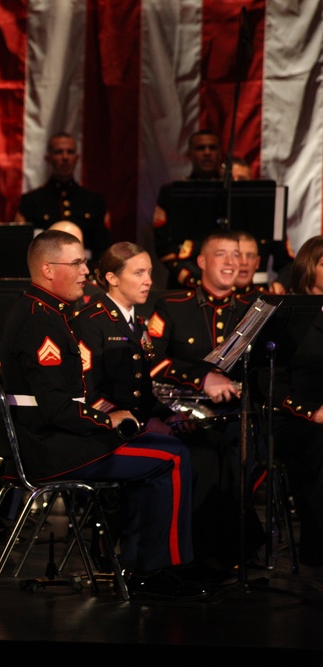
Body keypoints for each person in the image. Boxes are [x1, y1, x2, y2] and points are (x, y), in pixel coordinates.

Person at [0, 229, 206, 599]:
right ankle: (156, 570)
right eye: (76, 263)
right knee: (172, 458)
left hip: (48, 439)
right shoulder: (42, 321)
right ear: (48, 269)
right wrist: (108, 420)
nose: (85, 271)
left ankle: (137, 562)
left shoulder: (41, 309)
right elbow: (57, 408)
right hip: (49, 449)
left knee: (158, 446)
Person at [74, 242, 247, 577]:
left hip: (138, 420)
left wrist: (170, 416)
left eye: (150, 272)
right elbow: (88, 393)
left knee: (212, 447)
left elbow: (141, 390)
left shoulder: (135, 323)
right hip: (105, 430)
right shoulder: (92, 321)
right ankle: (162, 563)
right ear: (111, 277)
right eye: (138, 273)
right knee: (179, 454)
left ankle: (213, 553)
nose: (148, 280)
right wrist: (142, 423)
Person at [264, 235, 323, 567]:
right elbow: (268, 379)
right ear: (307, 267)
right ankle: (317, 548)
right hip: (297, 417)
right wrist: (310, 412)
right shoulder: (288, 313)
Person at [147, 230, 247, 403]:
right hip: (185, 411)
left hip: (239, 412)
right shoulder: (173, 306)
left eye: (235, 255)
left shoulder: (251, 311)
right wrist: (202, 378)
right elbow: (150, 361)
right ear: (202, 261)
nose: (230, 262)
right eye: (220, 254)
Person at [15, 132, 111, 266]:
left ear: (77, 158)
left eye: (70, 152)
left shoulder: (93, 201)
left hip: (86, 272)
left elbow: (102, 248)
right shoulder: (31, 201)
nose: (65, 157)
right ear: (48, 158)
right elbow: (24, 248)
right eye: (59, 152)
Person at [152, 129, 223, 289]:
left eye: (212, 148)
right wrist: (188, 276)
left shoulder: (232, 192)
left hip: (226, 278)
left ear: (220, 153)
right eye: (200, 148)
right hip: (184, 281)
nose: (207, 153)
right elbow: (162, 243)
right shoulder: (172, 192)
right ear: (190, 153)